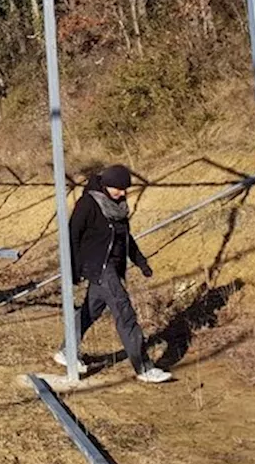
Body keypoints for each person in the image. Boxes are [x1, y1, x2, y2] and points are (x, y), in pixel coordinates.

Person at [56, 164, 172, 383]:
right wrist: (72, 270)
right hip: (98, 267)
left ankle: (66, 350)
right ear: (107, 185)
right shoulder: (88, 203)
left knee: (90, 310)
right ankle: (144, 368)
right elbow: (72, 237)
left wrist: (140, 262)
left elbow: (125, 238)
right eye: (118, 188)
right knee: (124, 311)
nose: (123, 193)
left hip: (113, 268)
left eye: (125, 189)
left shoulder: (118, 206)